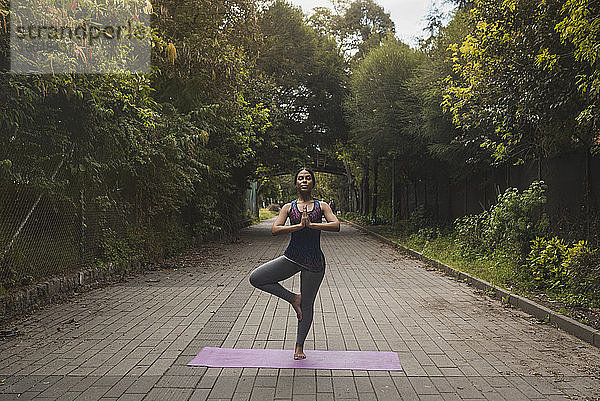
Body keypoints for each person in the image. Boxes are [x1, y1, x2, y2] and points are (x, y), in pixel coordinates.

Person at [249, 167, 340, 360]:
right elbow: (275, 229)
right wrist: (298, 226)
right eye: (300, 178)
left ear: (313, 182)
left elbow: (336, 225)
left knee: (308, 304)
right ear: (296, 183)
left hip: (314, 262)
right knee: (256, 278)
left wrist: (313, 225)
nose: (304, 181)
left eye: (308, 178)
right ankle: (293, 298)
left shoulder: (321, 206)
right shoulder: (288, 208)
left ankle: (299, 346)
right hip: (292, 257)